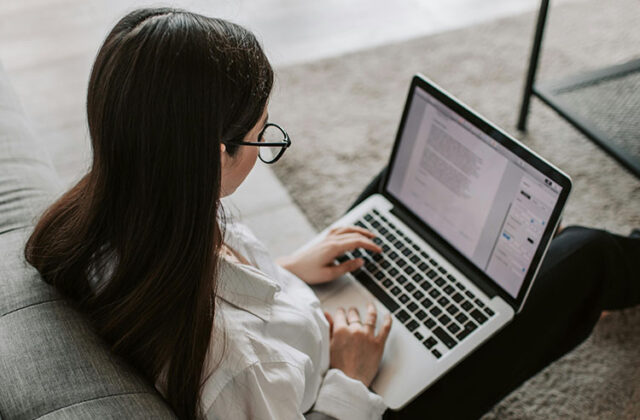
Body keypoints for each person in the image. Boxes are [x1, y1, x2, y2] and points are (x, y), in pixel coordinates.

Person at [22, 7, 639, 420]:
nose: (267, 146)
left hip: (300, 326)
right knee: (584, 255)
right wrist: (351, 376)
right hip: (353, 393)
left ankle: (502, 245)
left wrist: (287, 269)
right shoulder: (235, 371)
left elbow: (210, 285)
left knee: (394, 200)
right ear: (214, 156)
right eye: (264, 139)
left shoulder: (111, 214)